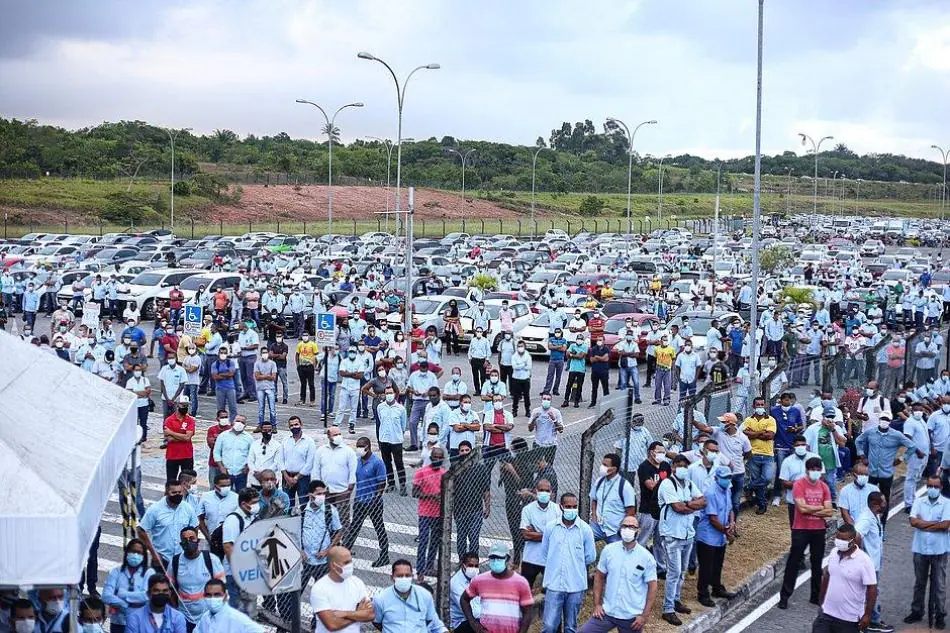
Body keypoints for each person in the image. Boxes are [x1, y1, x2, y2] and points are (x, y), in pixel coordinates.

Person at [579, 515, 657, 633]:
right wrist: (597, 605)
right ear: (620, 529)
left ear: (638, 531)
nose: (628, 529)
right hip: (607, 613)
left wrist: (644, 616)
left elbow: (652, 587)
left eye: (632, 527)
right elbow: (599, 576)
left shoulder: (646, 558)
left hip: (631, 617)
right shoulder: (609, 550)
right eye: (625, 526)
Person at [778, 457, 834, 610]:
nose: (815, 472)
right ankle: (784, 596)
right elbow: (801, 509)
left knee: (817, 564)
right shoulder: (799, 484)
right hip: (801, 529)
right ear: (807, 470)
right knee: (793, 563)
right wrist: (820, 508)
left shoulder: (824, 487)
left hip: (818, 529)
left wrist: (812, 508)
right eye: (813, 469)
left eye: (818, 469)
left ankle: (815, 596)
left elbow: (829, 512)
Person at [657, 455, 706, 625]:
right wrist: (691, 505)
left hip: (687, 534)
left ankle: (676, 600)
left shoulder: (689, 484)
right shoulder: (667, 484)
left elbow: (703, 500)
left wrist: (688, 505)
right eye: (679, 465)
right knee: (674, 572)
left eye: (685, 465)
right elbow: (677, 508)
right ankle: (668, 609)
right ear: (672, 467)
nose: (682, 468)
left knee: (682, 571)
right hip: (672, 534)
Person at [539, 492, 596, 633]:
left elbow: (590, 557)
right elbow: (545, 553)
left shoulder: (585, 530)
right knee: (549, 626)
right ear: (561, 507)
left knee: (571, 627)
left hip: (575, 586)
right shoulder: (551, 528)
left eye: (574, 506)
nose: (572, 509)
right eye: (568, 506)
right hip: (554, 585)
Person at [855, 414, 919, 529]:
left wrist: (901, 459)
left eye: (887, 420)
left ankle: (882, 525)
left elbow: (912, 446)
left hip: (886, 473)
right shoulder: (870, 432)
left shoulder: (896, 435)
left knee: (884, 500)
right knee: (868, 497)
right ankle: (867, 523)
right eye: (883, 419)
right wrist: (862, 455)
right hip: (872, 472)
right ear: (879, 420)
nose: (884, 421)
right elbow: (858, 440)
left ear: (890, 421)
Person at [812, 524, 878, 633]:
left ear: (852, 541)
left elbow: (872, 589)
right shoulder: (833, 553)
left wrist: (867, 615)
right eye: (837, 538)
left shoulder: (864, 561)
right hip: (826, 614)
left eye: (843, 539)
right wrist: (822, 600)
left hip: (849, 619)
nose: (839, 541)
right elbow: (827, 576)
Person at [905, 475, 950, 628]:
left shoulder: (947, 503)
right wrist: (935, 524)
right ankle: (916, 611)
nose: (932, 489)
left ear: (941, 488)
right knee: (919, 583)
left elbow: (945, 525)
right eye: (930, 485)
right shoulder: (918, 501)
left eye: (935, 486)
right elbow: (913, 521)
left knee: (939, 584)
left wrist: (922, 523)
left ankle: (940, 615)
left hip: (940, 550)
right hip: (920, 549)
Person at [461, 543, 534, 633]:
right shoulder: (480, 580)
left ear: (507, 559)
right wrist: (474, 624)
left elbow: (527, 611)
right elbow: (464, 599)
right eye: (492, 558)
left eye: (499, 558)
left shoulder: (520, 582)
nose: (495, 561)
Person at [344, 436, 390, 568]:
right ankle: (344, 554)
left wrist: (375, 500)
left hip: (374, 502)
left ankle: (384, 555)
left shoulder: (377, 463)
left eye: (361, 446)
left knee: (379, 528)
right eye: (357, 446)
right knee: (354, 528)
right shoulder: (357, 461)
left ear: (368, 447)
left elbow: (382, 483)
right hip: (359, 501)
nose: (359, 449)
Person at [695, 466, 738, 607]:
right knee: (706, 566)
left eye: (728, 477)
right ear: (716, 478)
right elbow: (712, 518)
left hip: (720, 535)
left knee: (717, 564)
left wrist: (731, 523)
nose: (727, 480)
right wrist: (727, 531)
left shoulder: (727, 490)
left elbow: (730, 509)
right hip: (708, 536)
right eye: (724, 478)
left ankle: (717, 588)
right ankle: (703, 594)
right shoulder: (711, 493)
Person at [170, 527, 226, 630]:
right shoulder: (175, 562)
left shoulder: (211, 560)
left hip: (208, 617)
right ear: (181, 543)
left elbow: (222, 590)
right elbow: (171, 590)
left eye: (192, 538)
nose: (188, 542)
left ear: (198, 541)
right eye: (185, 539)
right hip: (184, 617)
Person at [309, 546, 374, 633]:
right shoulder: (320, 588)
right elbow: (332, 625)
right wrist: (357, 614)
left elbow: (370, 615)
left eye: (350, 561)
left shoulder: (357, 583)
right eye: (346, 562)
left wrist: (346, 614)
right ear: (333, 565)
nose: (350, 565)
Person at [853, 492, 893, 633]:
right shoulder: (866, 519)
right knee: (872, 592)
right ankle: (873, 621)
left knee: (871, 591)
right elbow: (856, 534)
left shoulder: (874, 515)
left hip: (874, 563)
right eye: (883, 502)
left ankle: (868, 619)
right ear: (876, 505)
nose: (885, 504)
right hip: (869, 564)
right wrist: (861, 554)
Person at [138, 480, 199, 569]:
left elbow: (195, 527)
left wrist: (191, 546)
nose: (178, 495)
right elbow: (141, 530)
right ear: (167, 492)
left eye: (180, 492)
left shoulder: (187, 508)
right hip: (161, 560)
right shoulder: (155, 509)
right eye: (174, 492)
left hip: (182, 559)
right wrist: (153, 553)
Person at [373, 559, 447, 633]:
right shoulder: (380, 599)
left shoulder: (425, 596)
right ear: (392, 577)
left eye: (407, 575)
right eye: (400, 576)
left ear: (412, 576)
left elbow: (435, 624)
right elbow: (377, 622)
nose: (404, 579)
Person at [221, 488, 260, 615]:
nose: (257, 505)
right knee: (236, 611)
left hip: (249, 574)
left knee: (248, 611)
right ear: (244, 504)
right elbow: (228, 546)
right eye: (254, 502)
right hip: (235, 575)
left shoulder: (251, 517)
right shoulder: (233, 520)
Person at [103, 539, 154, 633]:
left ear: (143, 556)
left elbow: (146, 596)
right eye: (132, 551)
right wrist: (125, 605)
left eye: (139, 552)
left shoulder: (149, 573)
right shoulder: (116, 572)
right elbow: (106, 596)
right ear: (127, 552)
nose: (135, 555)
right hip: (118, 623)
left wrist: (121, 594)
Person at [519, 479, 562, 588]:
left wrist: (534, 533)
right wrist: (549, 535)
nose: (544, 493)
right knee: (525, 589)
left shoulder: (557, 510)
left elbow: (559, 536)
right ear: (536, 491)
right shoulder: (527, 510)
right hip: (530, 558)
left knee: (551, 589)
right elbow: (525, 535)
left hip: (550, 558)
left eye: (547, 490)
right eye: (541, 490)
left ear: (552, 493)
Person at [453, 440, 492, 557]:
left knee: (474, 537)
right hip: (460, 510)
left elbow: (486, 490)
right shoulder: (455, 469)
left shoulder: (480, 468)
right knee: (461, 537)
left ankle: (473, 562)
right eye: (462, 450)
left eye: (467, 450)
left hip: (476, 510)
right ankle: (462, 561)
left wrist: (487, 507)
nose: (464, 452)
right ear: (459, 452)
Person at [312, 426, 358, 526]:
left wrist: (349, 490)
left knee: (343, 519)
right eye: (335, 435)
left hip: (342, 491)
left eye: (339, 434)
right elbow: (316, 471)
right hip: (326, 491)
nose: (338, 437)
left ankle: (345, 540)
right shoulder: (321, 451)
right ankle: (330, 540)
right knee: (326, 518)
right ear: (328, 436)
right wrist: (316, 490)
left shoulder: (348, 452)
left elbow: (353, 472)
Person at [413, 446, 446, 581]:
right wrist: (431, 496)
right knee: (424, 541)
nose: (437, 460)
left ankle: (430, 566)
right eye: (435, 457)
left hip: (439, 513)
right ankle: (420, 571)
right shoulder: (422, 472)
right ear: (431, 458)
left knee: (435, 541)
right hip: (425, 512)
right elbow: (415, 492)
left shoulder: (445, 474)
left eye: (440, 458)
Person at [590, 453, 636, 543]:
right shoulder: (599, 481)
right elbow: (594, 500)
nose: (601, 467)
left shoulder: (625, 486)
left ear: (614, 469)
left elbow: (631, 510)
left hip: (615, 530)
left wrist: (623, 527)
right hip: (598, 526)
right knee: (583, 540)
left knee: (616, 554)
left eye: (605, 465)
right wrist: (594, 517)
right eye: (602, 464)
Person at [743, 397, 777, 515]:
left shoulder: (771, 419)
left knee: (766, 478)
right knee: (759, 481)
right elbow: (746, 434)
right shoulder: (748, 420)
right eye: (758, 405)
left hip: (768, 454)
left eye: (762, 405)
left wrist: (754, 434)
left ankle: (749, 487)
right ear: (753, 406)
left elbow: (770, 436)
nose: (760, 407)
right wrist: (762, 432)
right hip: (753, 454)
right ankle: (762, 505)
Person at [194, 579, 263, 633]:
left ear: (225, 596)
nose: (212, 598)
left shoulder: (236, 618)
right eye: (208, 595)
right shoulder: (205, 617)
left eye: (217, 595)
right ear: (204, 597)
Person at [376, 385, 408, 494]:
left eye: (391, 393)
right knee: (387, 463)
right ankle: (391, 483)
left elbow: (403, 425)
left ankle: (403, 484)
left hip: (396, 440)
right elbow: (380, 420)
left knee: (399, 463)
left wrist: (399, 434)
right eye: (387, 393)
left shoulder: (401, 409)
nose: (389, 395)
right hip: (384, 439)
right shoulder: (380, 407)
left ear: (394, 394)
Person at [281, 416, 315, 508]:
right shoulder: (285, 440)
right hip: (286, 477)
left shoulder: (309, 442)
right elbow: (280, 460)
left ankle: (304, 522)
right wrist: (286, 477)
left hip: (303, 478)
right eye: (291, 425)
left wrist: (296, 478)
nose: (294, 427)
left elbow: (310, 463)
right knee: (287, 505)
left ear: (301, 425)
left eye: (296, 424)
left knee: (304, 504)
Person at [213, 416, 253, 492]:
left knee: (241, 496)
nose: (239, 423)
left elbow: (252, 454)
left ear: (245, 425)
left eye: (242, 422)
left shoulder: (249, 438)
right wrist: (221, 467)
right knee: (225, 494)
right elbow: (216, 452)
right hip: (226, 472)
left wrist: (247, 467)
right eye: (238, 421)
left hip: (241, 473)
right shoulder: (223, 436)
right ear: (233, 422)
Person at [198, 473, 239, 543]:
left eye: (228, 485)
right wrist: (208, 537)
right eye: (223, 486)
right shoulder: (205, 497)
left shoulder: (236, 498)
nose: (226, 488)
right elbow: (199, 518)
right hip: (212, 538)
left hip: (231, 539)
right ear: (215, 486)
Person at [163, 398, 196, 483]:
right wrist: (183, 436)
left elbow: (187, 437)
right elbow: (168, 438)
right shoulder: (169, 420)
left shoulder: (190, 420)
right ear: (177, 405)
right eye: (183, 405)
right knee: (171, 481)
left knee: (188, 481)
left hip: (187, 454)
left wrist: (171, 432)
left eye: (187, 405)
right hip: (172, 455)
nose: (185, 407)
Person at [450, 553, 482, 633]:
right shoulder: (456, 583)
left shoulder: (476, 577)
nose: (474, 568)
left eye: (476, 566)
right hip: (461, 622)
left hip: (476, 617)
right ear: (463, 565)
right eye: (470, 565)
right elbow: (471, 612)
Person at [528, 393, 562, 463]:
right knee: (536, 465)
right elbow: (530, 429)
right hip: (538, 443)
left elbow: (561, 429)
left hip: (551, 444)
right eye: (544, 399)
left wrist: (554, 419)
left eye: (548, 399)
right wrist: (534, 419)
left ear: (551, 401)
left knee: (548, 467)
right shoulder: (536, 411)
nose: (546, 401)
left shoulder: (556, 412)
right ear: (541, 400)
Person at [253, 349, 278, 427]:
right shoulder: (257, 364)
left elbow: (274, 377)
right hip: (260, 388)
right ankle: (260, 425)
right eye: (263, 353)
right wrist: (267, 375)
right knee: (261, 408)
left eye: (266, 352)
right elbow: (257, 377)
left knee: (272, 409)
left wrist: (262, 375)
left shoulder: (272, 363)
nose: (265, 354)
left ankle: (273, 425)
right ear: (261, 354)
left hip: (270, 388)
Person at [563, 334, 589, 408]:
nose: (579, 340)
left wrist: (572, 354)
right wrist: (573, 354)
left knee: (579, 386)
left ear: (583, 340)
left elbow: (581, 357)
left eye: (581, 339)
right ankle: (566, 400)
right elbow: (567, 354)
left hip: (581, 370)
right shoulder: (572, 345)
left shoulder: (585, 347)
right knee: (569, 385)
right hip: (573, 369)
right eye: (578, 339)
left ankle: (576, 402)